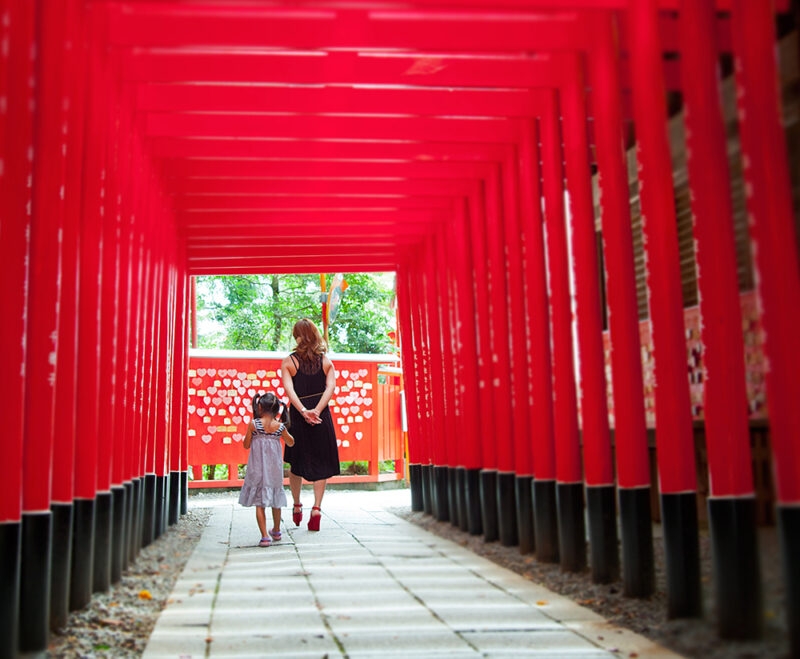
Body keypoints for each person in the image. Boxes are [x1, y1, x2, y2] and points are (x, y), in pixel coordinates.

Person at [281, 318, 340, 531]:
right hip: (321, 416)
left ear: (297, 335)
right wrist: (317, 410)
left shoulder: (289, 362)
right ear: (315, 334)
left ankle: (297, 505)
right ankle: (316, 508)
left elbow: (289, 390)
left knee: (295, 463)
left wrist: (303, 411)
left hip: (298, 417)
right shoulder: (326, 362)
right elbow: (330, 388)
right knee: (321, 461)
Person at [239, 392, 295, 547]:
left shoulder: (254, 424)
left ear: (259, 407)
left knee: (260, 503)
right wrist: (283, 430)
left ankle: (264, 536)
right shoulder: (280, 427)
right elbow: (291, 442)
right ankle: (276, 530)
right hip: (274, 471)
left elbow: (246, 444)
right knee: (275, 499)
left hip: (257, 469)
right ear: (277, 409)